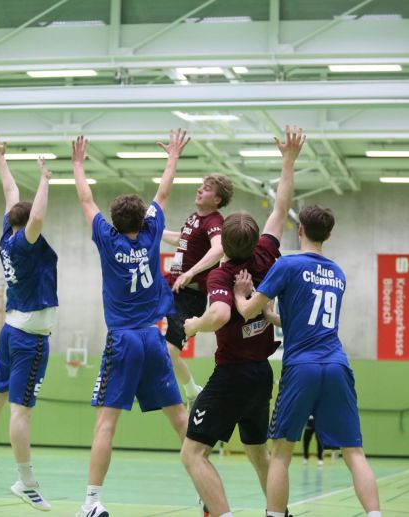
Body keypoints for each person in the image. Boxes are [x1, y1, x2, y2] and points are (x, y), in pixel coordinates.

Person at [180, 125, 304, 517]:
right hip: (262, 375)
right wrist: (288, 160)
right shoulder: (266, 253)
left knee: (192, 453)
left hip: (233, 375)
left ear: (225, 245)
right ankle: (279, 513)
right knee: (257, 454)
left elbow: (218, 315)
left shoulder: (221, 275)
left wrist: (192, 325)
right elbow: (280, 208)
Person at [233, 204, 382, 517]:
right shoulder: (338, 273)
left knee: (281, 452)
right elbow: (307, 321)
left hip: (302, 366)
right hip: (337, 364)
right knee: (354, 452)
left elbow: (247, 311)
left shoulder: (287, 265)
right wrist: (273, 316)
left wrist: (239, 294)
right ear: (329, 235)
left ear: (299, 229)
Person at [71, 130, 191, 517]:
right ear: (144, 218)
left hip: (122, 340)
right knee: (179, 418)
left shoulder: (108, 240)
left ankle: (92, 502)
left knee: (105, 425)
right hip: (153, 339)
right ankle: (206, 488)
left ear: (114, 221)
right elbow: (164, 193)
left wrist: (77, 164)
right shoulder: (153, 233)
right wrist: (172, 157)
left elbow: (86, 200)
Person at [0, 136, 56, 512]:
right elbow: (36, 217)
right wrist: (45, 180)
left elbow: (10, 193)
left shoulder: (7, 236)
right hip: (29, 339)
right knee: (21, 411)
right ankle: (26, 481)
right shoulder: (23, 244)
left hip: (10, 331)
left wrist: (1, 158)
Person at [162, 171, 234, 408]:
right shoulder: (195, 218)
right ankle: (192, 390)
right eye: (201, 185)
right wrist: (151, 230)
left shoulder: (214, 222)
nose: (200, 189)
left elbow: (219, 248)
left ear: (217, 199)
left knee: (169, 352)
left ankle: (190, 391)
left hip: (190, 297)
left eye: (207, 188)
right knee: (165, 350)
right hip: (173, 289)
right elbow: (179, 238)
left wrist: (191, 272)